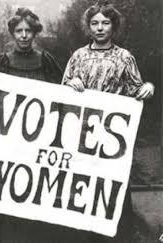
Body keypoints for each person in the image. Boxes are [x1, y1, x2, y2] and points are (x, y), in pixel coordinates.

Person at [62, 1, 154, 243]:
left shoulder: (124, 58)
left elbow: (138, 90)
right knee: (81, 190)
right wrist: (71, 85)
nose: (100, 28)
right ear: (88, 27)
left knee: (113, 191)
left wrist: (148, 87)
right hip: (82, 137)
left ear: (113, 26)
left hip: (112, 139)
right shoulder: (78, 56)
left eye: (105, 23)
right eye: (94, 23)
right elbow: (60, 94)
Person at [0, 7, 67, 243]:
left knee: (38, 186)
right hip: (11, 138)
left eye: (28, 30)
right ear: (12, 33)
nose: (24, 35)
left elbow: (63, 95)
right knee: (12, 184)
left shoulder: (45, 60)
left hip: (41, 136)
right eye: (19, 30)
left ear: (35, 32)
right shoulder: (4, 61)